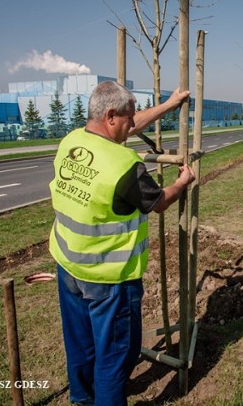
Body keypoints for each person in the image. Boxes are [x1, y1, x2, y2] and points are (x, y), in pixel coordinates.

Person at [49, 81, 195, 405]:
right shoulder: (124, 166)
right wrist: (182, 182)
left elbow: (127, 124)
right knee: (114, 360)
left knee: (81, 349)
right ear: (111, 116)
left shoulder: (71, 141)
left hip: (68, 267)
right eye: (129, 119)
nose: (132, 125)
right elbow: (159, 203)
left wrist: (170, 104)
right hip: (109, 280)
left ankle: (81, 400)